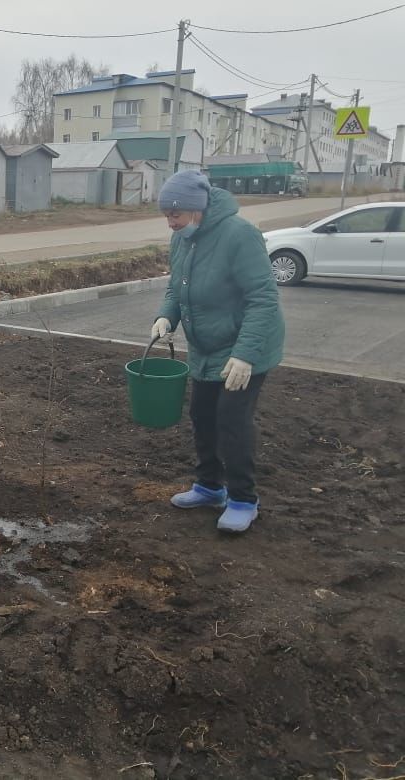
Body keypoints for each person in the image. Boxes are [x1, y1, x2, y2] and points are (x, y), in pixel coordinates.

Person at [150, 170, 285, 533]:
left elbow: (264, 298)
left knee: (231, 420)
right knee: (202, 414)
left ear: (197, 209)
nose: (170, 222)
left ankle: (243, 499)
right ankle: (209, 487)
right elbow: (176, 286)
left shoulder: (239, 235)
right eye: (166, 215)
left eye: (175, 215)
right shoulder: (182, 239)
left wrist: (244, 355)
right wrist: (167, 315)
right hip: (206, 348)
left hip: (246, 346)